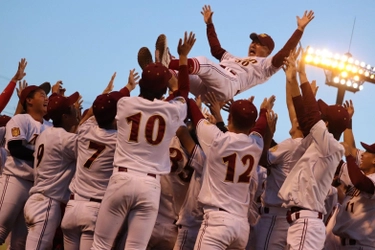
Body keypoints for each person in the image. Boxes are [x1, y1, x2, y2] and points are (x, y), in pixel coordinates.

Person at [91, 32, 194, 250]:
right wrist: (180, 64)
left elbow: (107, 103)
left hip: (122, 177)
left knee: (100, 246)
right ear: (165, 89)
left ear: (141, 84)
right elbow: (182, 94)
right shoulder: (171, 110)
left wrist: (129, 86)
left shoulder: (125, 104)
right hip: (150, 185)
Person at [162, 5, 314, 101]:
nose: (253, 44)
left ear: (267, 51)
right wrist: (209, 24)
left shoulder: (266, 65)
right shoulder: (234, 58)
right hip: (209, 89)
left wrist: (299, 30)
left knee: (203, 62)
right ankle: (161, 69)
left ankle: (169, 61)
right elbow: (216, 49)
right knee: (178, 74)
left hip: (229, 85)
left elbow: (283, 54)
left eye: (259, 44)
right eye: (253, 41)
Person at [278, 50, 350, 250]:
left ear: (326, 123)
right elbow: (303, 115)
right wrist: (292, 78)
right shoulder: (321, 144)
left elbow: (310, 114)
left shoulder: (332, 146)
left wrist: (303, 74)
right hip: (303, 222)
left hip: (306, 222)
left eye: (323, 116)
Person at [186, 93, 277, 249]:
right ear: (251, 125)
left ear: (229, 119)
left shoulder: (217, 139)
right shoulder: (256, 144)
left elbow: (195, 114)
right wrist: (263, 112)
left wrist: (183, 92)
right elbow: (260, 127)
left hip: (217, 222)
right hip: (241, 226)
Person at [61, 71, 139, 250]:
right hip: (94, 210)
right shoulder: (118, 141)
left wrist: (121, 90)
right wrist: (128, 89)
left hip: (72, 206)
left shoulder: (84, 129)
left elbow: (93, 113)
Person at [23, 91, 80, 249]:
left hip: (36, 200)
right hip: (46, 204)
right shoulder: (65, 139)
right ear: (64, 116)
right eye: (71, 107)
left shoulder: (46, 133)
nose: (75, 108)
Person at [0, 82, 51, 249]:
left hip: (35, 187)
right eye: (42, 95)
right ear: (29, 101)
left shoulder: (50, 127)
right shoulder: (20, 119)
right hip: (15, 179)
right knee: (1, 228)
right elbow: (15, 148)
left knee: (20, 242)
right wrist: (41, 157)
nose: (46, 98)